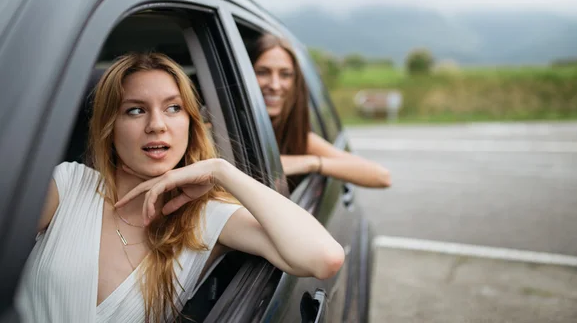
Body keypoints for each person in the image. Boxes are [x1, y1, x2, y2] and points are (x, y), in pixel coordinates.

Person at [16, 52, 345, 323]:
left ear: (190, 122)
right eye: (135, 110)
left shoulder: (207, 217)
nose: (157, 125)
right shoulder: (67, 185)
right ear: (109, 126)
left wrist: (221, 170)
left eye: (173, 108)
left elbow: (324, 258)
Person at [249, 33, 391, 189]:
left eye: (285, 74)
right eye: (262, 72)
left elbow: (382, 176)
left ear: (296, 82)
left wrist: (311, 162)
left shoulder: (297, 139)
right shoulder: (225, 129)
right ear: (244, 74)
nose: (275, 85)